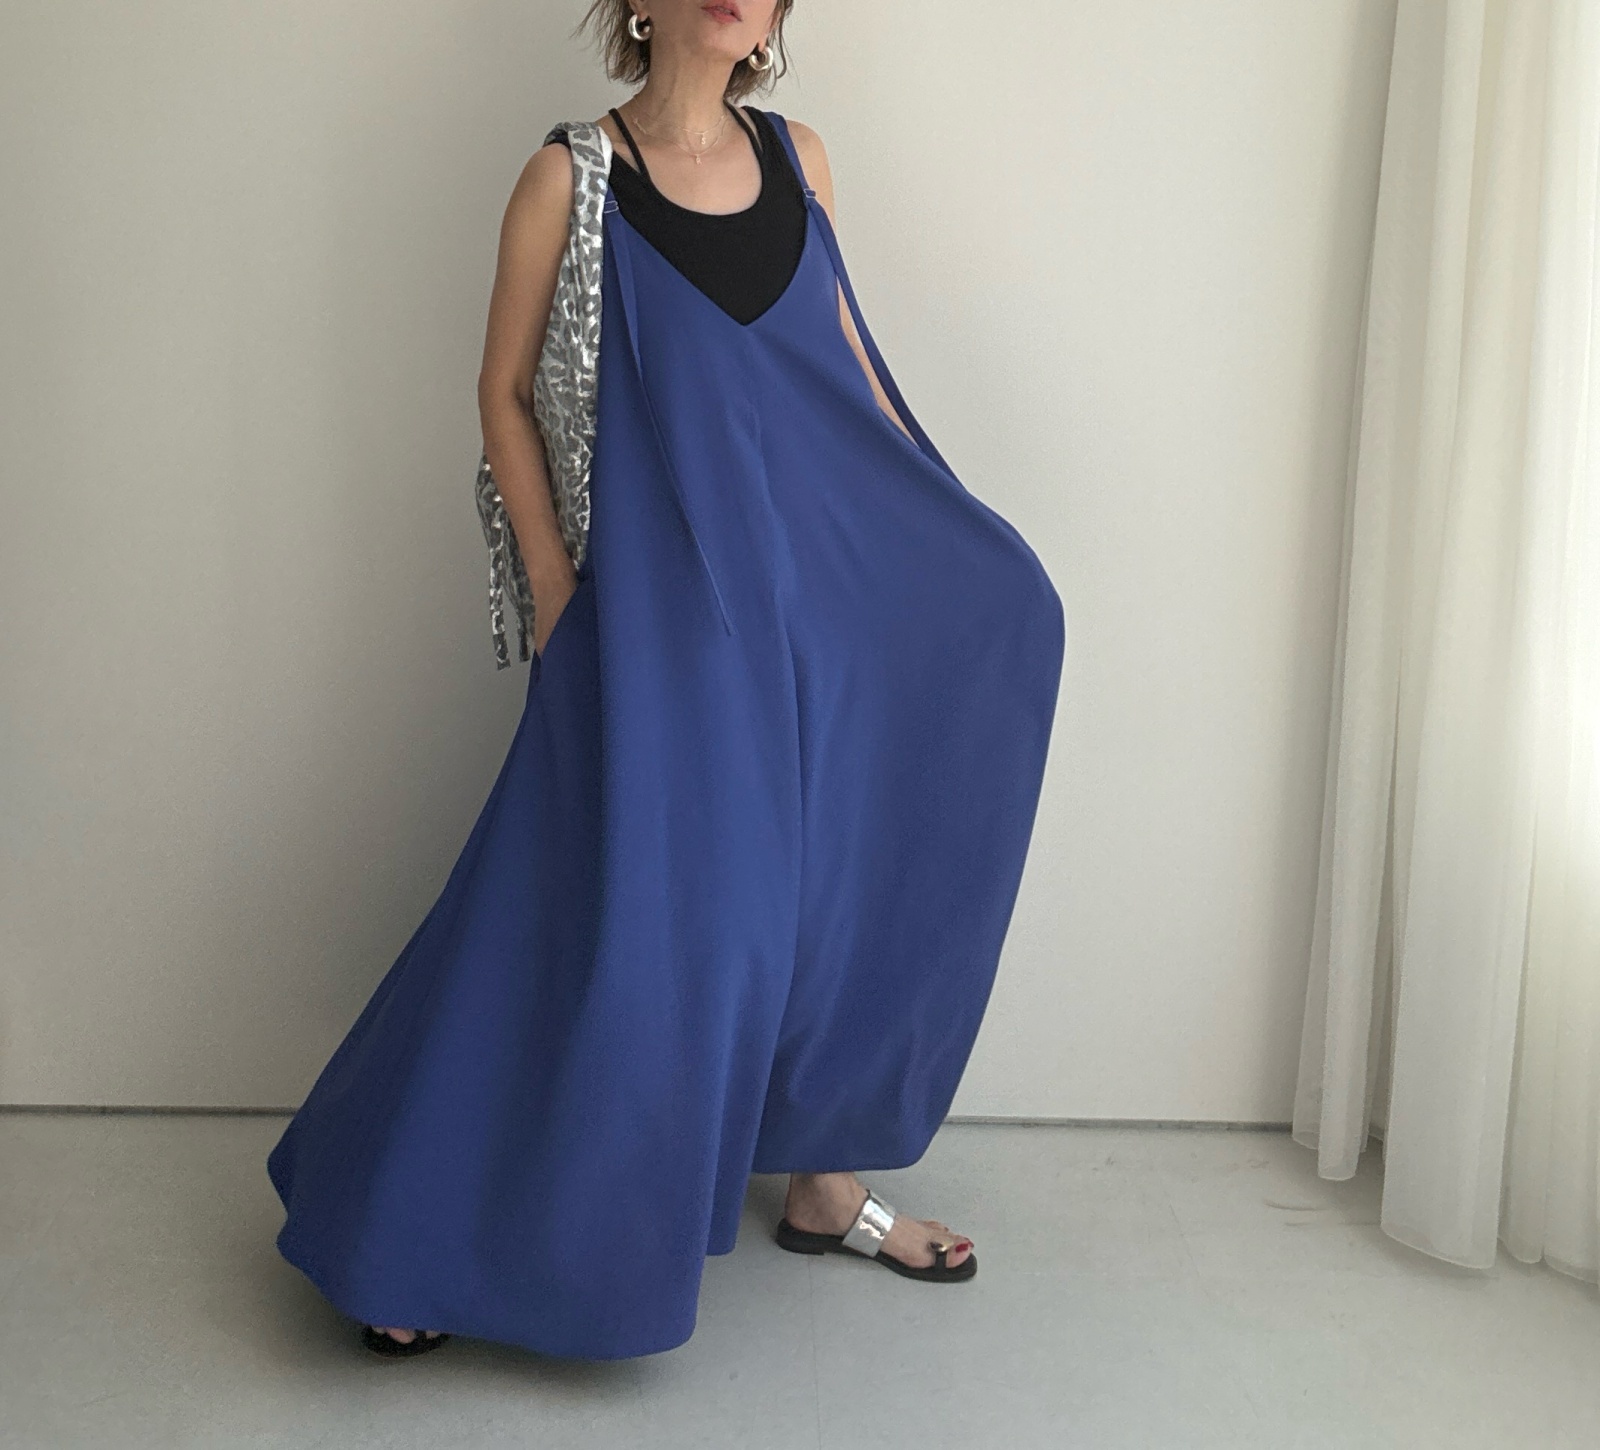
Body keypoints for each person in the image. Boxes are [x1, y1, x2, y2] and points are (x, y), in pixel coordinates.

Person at [266, 0, 1065, 1361]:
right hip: (655, 618)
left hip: (809, 608)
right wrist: (558, 599)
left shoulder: (802, 161)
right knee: (610, 918)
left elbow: (847, 381)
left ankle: (824, 1182)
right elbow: (502, 392)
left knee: (830, 884)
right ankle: (404, 1223)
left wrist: (950, 549)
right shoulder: (570, 179)